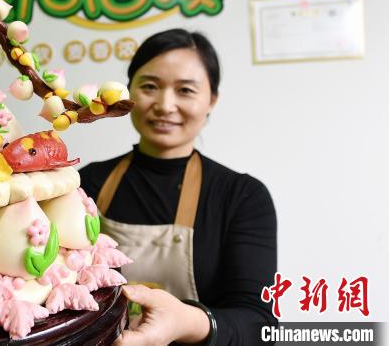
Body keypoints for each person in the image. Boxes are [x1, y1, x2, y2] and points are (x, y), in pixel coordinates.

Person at [79, 29, 277, 345]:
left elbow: (260, 325)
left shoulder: (241, 196)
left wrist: (187, 322)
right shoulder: (87, 183)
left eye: (185, 90)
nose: (165, 105)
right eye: (149, 86)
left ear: (212, 100)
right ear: (127, 94)